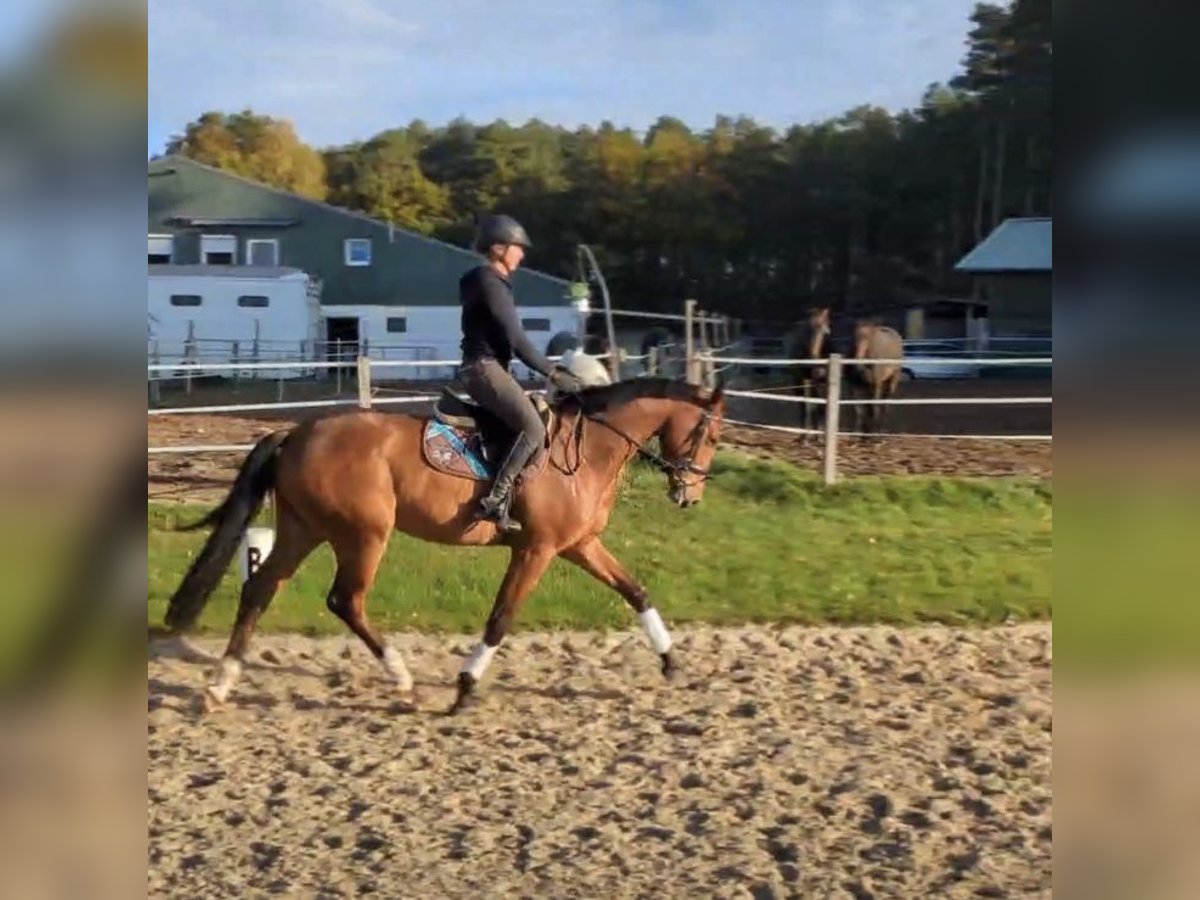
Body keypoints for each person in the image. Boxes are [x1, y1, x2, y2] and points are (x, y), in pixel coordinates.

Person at [459, 214, 583, 532]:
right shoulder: (490, 283)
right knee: (533, 429)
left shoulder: (489, 283)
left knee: (525, 420)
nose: (522, 254)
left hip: (488, 368)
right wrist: (553, 373)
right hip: (484, 368)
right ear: (499, 248)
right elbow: (517, 340)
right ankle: (495, 501)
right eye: (518, 247)